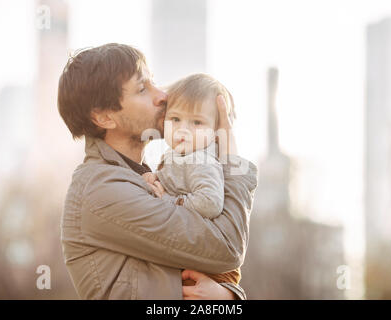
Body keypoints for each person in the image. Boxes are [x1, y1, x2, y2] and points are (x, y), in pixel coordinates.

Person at [58, 43, 257, 299]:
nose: (162, 95)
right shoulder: (101, 190)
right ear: (105, 117)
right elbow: (225, 248)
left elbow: (198, 271)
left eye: (153, 81)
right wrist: (232, 161)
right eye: (143, 88)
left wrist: (228, 296)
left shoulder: (152, 177)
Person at [142, 73, 242, 287]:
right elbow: (178, 182)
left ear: (215, 133)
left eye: (197, 122)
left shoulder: (200, 159)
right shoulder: (180, 155)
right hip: (195, 256)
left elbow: (209, 202)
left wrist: (169, 199)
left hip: (210, 270)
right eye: (175, 119)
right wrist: (157, 177)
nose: (183, 130)